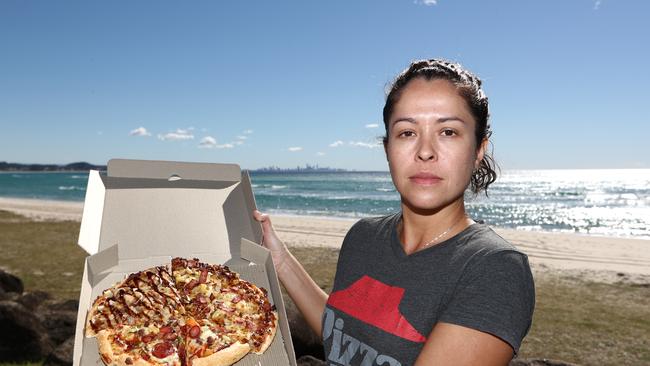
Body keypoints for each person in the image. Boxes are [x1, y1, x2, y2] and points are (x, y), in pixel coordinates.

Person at [253, 59, 535, 366]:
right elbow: (342, 334)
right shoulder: (363, 236)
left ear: (479, 150)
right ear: (388, 149)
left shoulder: (495, 269)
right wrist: (279, 259)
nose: (425, 150)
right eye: (407, 133)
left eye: (449, 132)